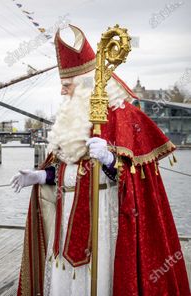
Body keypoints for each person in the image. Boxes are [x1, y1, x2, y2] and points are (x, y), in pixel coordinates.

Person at [11, 25, 190, 296]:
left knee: (100, 277)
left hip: (106, 218)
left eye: (67, 86)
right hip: (66, 215)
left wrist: (109, 158)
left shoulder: (124, 116)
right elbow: (67, 169)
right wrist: (42, 176)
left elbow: (136, 180)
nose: (62, 92)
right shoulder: (69, 119)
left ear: (84, 84)